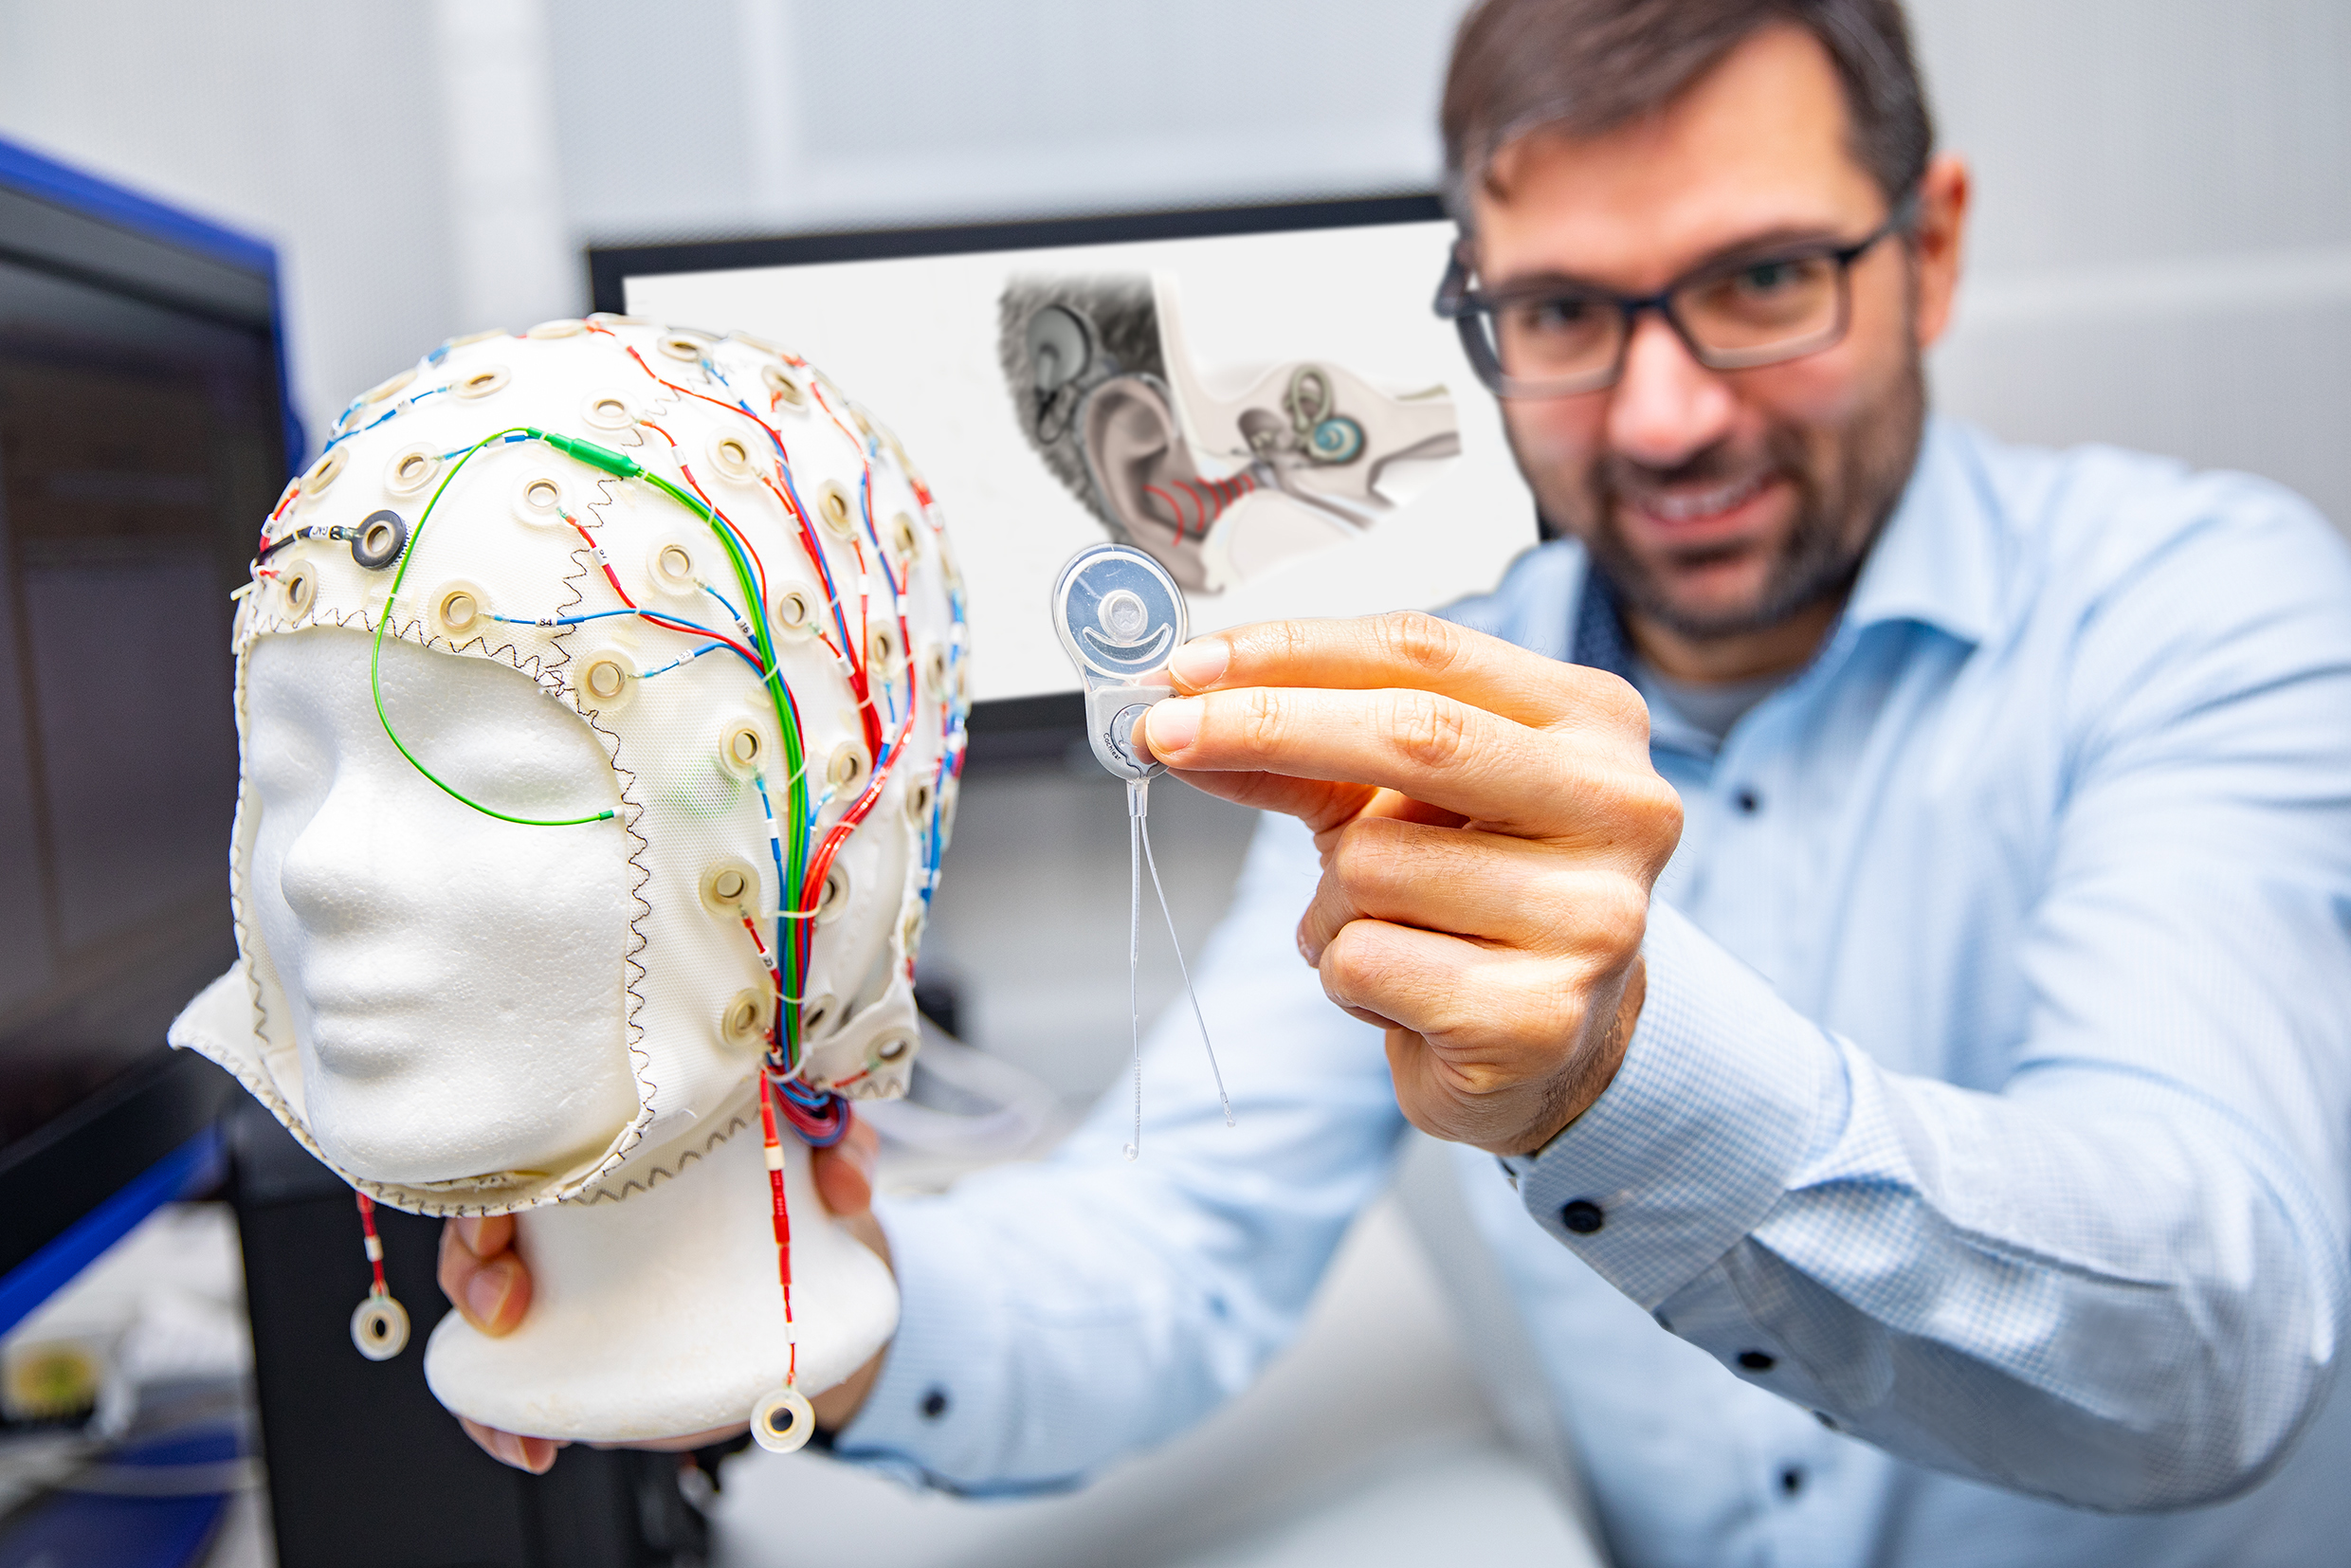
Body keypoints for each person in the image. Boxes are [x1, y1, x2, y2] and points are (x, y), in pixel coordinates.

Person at [443, 0, 2351, 1559]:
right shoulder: (1450, 695)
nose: (1670, 414)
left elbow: (2211, 1334)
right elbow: (1180, 1246)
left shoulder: (2202, 615)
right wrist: (800, 1289)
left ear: (1926, 247)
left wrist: (1630, 1069)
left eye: (1764, 278)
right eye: (1570, 316)